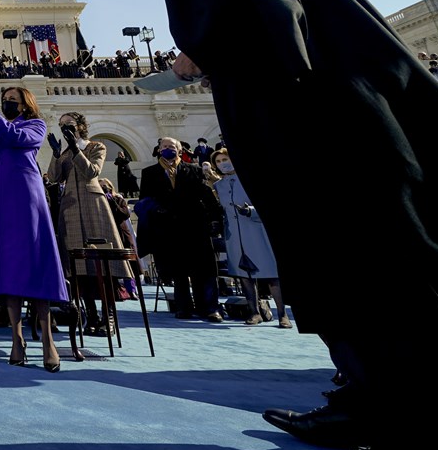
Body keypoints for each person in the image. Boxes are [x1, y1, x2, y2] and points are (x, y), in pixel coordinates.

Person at [99, 0, 438, 450]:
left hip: (320, 119)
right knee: (334, 271)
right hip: (302, 120)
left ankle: (424, 442)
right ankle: (368, 407)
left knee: (378, 270)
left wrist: (207, 53)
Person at [0, 85, 68, 372]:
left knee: (34, 263)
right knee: (9, 266)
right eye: (4, 100)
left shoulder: (35, 124)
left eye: (12, 100)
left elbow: (16, 137)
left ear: (24, 105)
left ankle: (47, 341)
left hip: (25, 197)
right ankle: (16, 339)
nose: (7, 103)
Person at [45, 111, 129, 337]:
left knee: (103, 262)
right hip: (70, 208)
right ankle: (90, 316)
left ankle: (108, 316)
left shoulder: (96, 146)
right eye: (62, 125)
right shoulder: (63, 152)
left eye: (69, 124)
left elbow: (92, 171)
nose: (66, 129)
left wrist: (75, 149)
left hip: (94, 205)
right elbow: (54, 178)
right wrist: (55, 154)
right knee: (78, 266)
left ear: (81, 126)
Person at [137, 136, 223, 322]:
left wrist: (215, 220)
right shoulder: (150, 172)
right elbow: (145, 199)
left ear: (180, 150)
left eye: (172, 146)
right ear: (159, 150)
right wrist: (155, 210)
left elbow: (206, 196)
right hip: (168, 228)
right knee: (179, 271)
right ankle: (183, 307)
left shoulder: (194, 170)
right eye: (165, 146)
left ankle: (209, 308)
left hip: (195, 226)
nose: (168, 149)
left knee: (204, 270)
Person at [211, 148, 289, 328]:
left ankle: (282, 314)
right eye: (219, 161)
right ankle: (254, 312)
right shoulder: (218, 186)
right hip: (234, 235)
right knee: (244, 275)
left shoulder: (251, 179)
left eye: (225, 159)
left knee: (271, 275)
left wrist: (251, 211)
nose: (222, 163)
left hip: (256, 230)